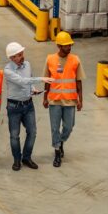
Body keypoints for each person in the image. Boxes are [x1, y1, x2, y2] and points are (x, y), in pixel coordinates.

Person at [3, 42, 54, 171]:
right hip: (14, 107)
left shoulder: (28, 65)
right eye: (19, 55)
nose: (22, 56)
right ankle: (16, 160)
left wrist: (33, 89)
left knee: (32, 132)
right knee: (14, 135)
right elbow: (22, 81)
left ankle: (26, 157)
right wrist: (41, 79)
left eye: (22, 54)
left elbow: (28, 79)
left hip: (28, 105)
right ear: (12, 58)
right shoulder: (8, 71)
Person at [42, 31, 85, 167]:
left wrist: (80, 100)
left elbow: (79, 82)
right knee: (55, 128)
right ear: (59, 46)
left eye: (70, 45)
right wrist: (45, 97)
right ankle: (57, 152)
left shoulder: (75, 60)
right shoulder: (50, 59)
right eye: (67, 46)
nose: (69, 48)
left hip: (70, 100)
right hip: (54, 100)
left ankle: (60, 142)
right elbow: (47, 81)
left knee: (69, 126)